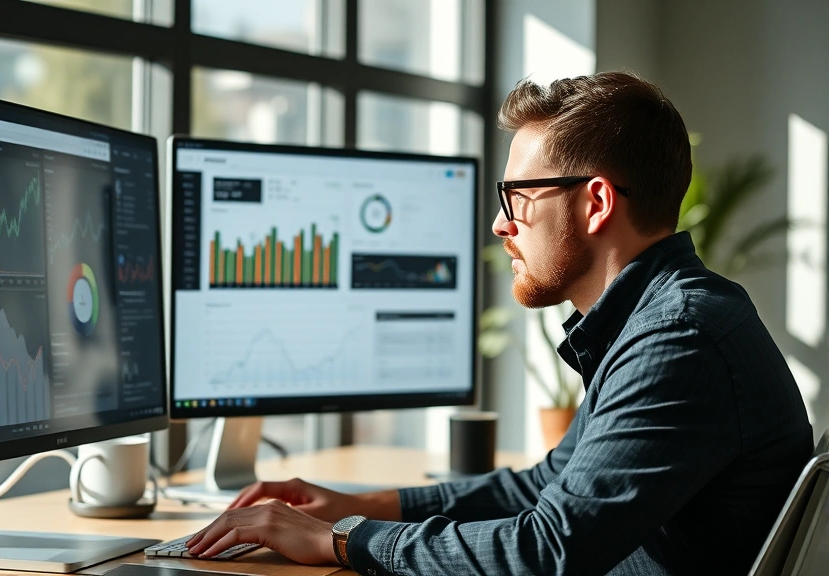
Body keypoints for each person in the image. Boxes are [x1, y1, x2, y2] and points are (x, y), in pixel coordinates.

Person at [185, 71, 814, 575]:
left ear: (596, 202)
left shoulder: (678, 337)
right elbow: (548, 484)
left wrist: (343, 540)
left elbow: (547, 551)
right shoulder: (660, 317)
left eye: (517, 196)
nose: (499, 223)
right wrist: (362, 505)